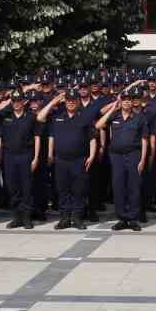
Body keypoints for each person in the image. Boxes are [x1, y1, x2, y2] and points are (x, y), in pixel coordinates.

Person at [38, 89, 98, 230]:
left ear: (77, 101)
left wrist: (92, 155)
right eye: (68, 100)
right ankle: (64, 218)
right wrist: (54, 100)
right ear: (65, 102)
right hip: (60, 160)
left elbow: (92, 138)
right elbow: (40, 118)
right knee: (62, 190)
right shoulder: (58, 116)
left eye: (73, 100)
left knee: (78, 190)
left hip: (79, 160)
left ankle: (77, 218)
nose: (71, 102)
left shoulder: (85, 117)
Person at [0, 90, 40, 230]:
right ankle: (17, 217)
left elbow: (37, 138)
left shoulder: (31, 117)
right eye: (14, 101)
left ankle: (26, 217)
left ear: (24, 101)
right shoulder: (5, 116)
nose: (16, 103)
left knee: (26, 187)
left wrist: (36, 158)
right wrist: (1, 107)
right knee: (12, 186)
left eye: (18, 100)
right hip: (9, 156)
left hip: (26, 155)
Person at [96, 86, 149, 231]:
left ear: (133, 102)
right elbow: (98, 125)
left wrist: (143, 160)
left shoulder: (139, 118)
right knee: (118, 187)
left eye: (129, 100)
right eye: (124, 100)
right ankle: (122, 218)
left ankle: (132, 219)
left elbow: (144, 140)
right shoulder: (115, 116)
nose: (126, 103)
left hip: (133, 155)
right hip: (116, 156)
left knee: (133, 187)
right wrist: (113, 108)